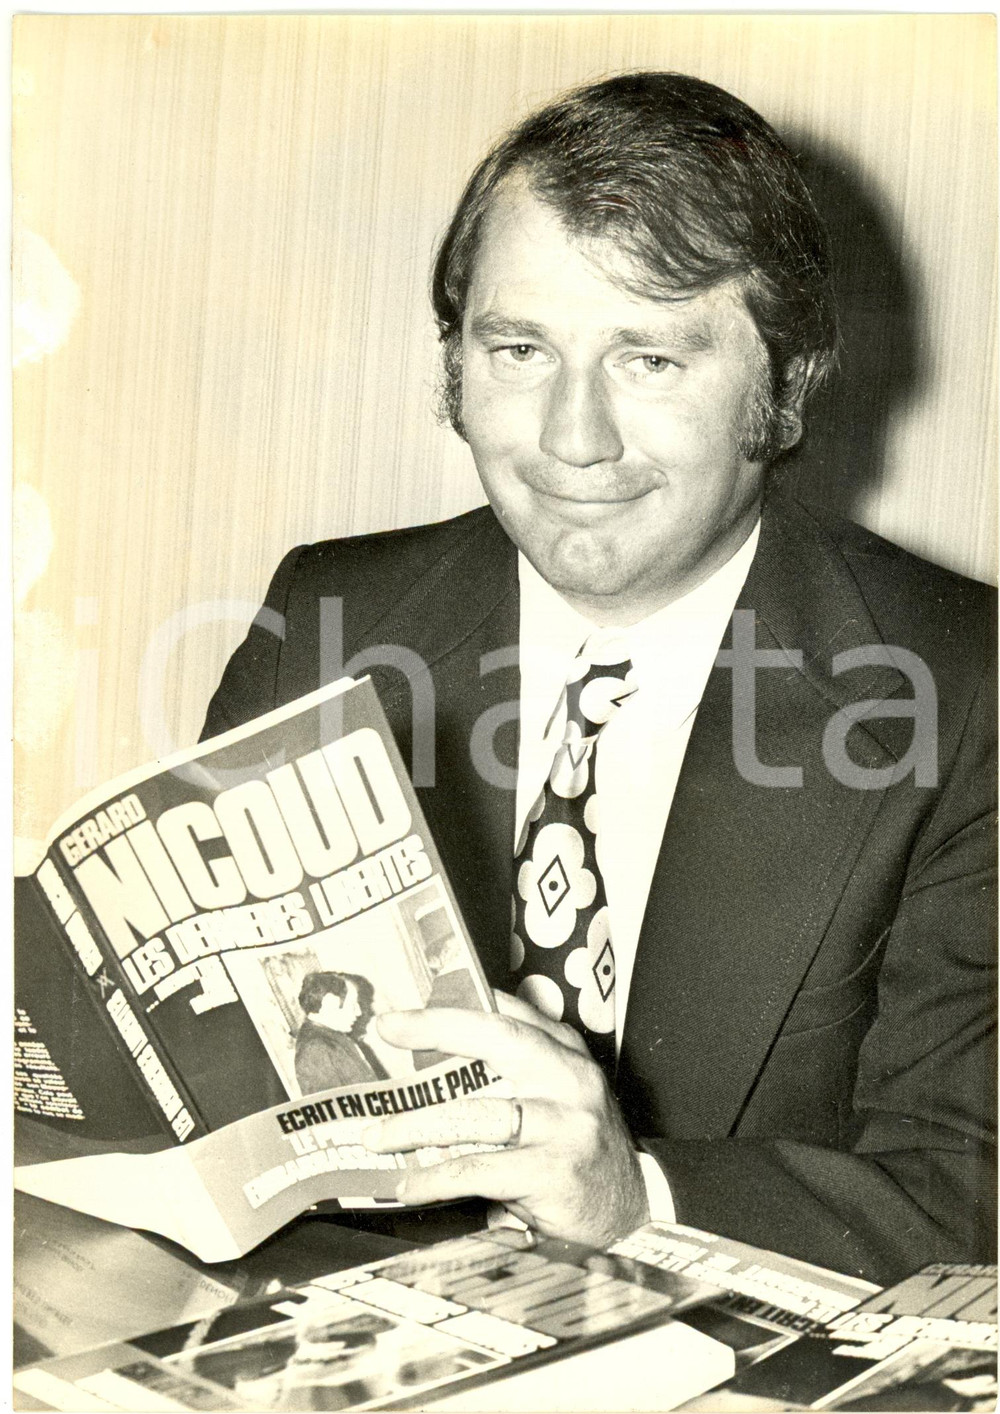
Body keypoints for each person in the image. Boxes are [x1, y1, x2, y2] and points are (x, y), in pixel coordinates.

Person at [203, 72, 996, 1284]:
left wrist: (638, 1196)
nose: (572, 438)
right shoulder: (325, 612)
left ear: (785, 388)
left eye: (652, 359)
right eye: (519, 348)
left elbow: (967, 1188)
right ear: (453, 362)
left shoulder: (967, 692)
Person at [294, 970, 388, 1093]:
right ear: (329, 1003)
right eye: (353, 1005)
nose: (359, 1012)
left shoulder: (329, 1036)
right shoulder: (314, 1049)